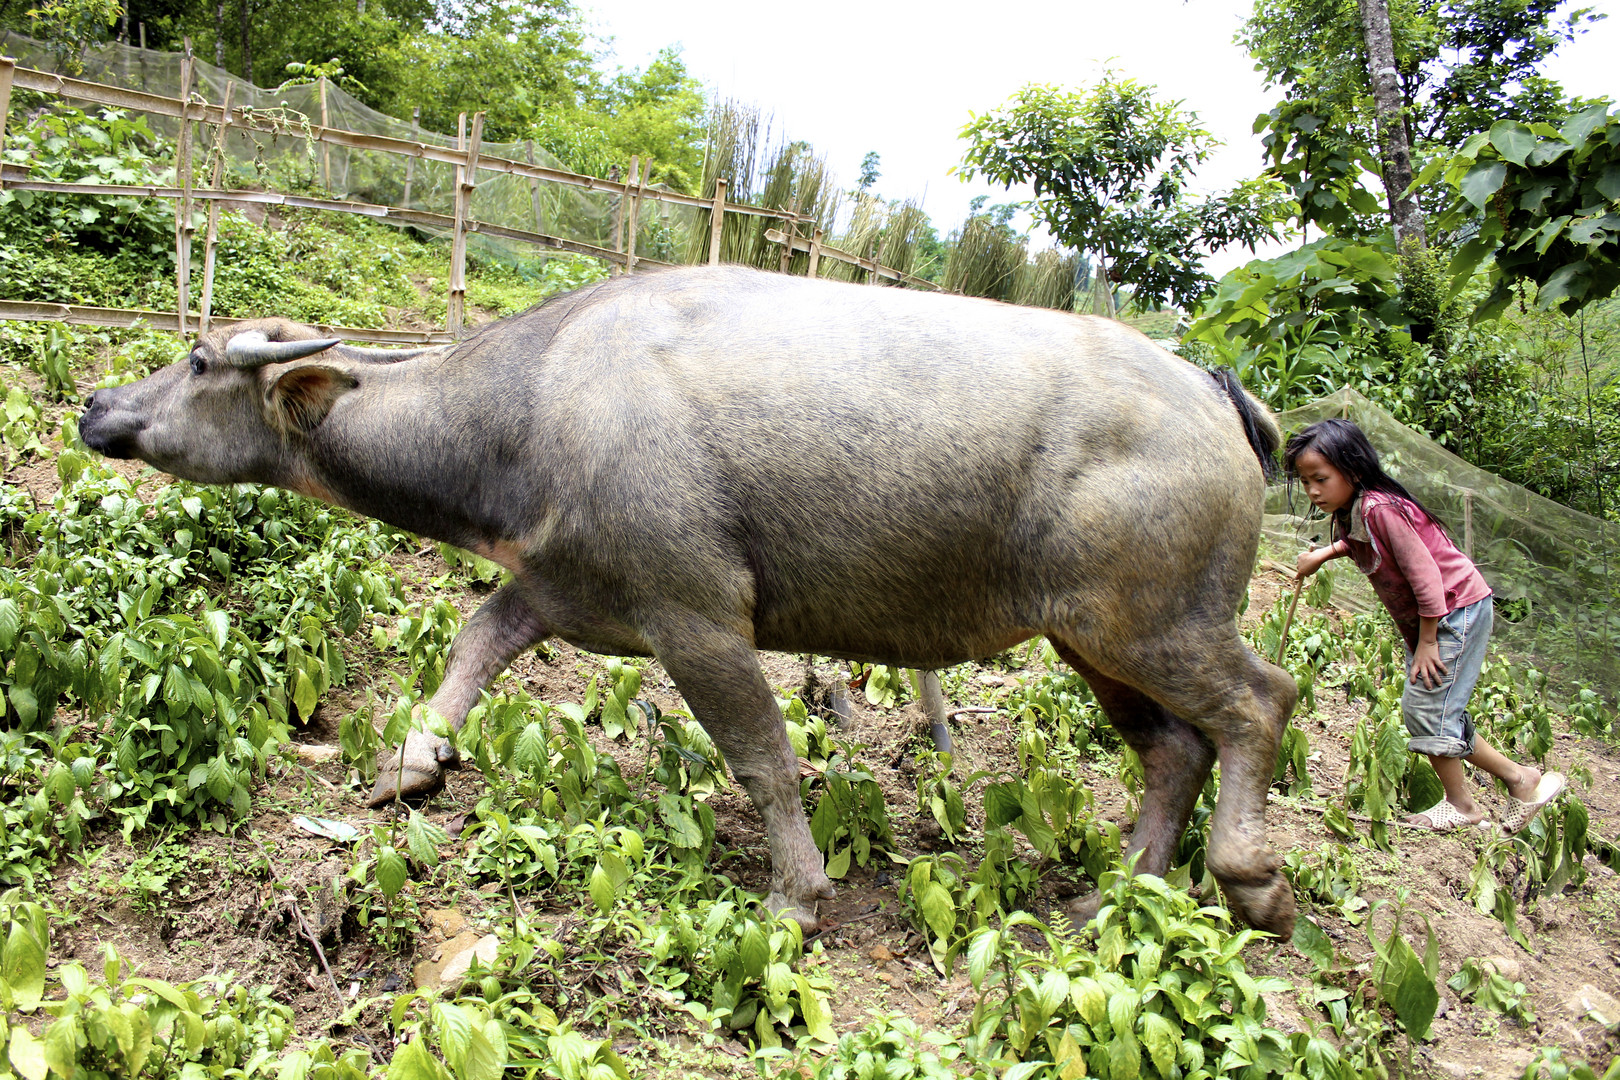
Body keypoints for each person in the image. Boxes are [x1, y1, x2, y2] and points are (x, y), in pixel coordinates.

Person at [1285, 418, 1563, 834]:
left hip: (1454, 610)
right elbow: (1359, 540)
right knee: (1438, 709)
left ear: (1353, 471)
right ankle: (1520, 778)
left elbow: (1427, 576)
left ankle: (1463, 805)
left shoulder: (1380, 508)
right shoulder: (1355, 510)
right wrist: (1324, 554)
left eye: (1320, 479)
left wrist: (1429, 640)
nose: (1312, 490)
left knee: (1427, 707)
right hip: (1441, 616)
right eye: (1305, 481)